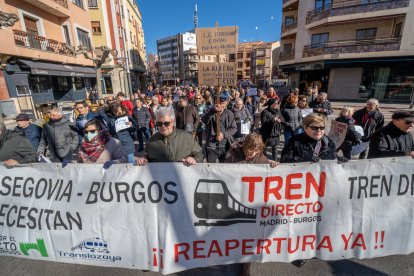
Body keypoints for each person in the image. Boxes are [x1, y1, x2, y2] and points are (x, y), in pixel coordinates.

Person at [136, 107, 203, 165]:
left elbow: (199, 155)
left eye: (166, 123)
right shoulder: (152, 140)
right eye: (159, 124)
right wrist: (144, 159)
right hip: (161, 178)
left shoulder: (187, 137)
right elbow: (148, 157)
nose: (163, 126)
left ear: (173, 122)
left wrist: (194, 159)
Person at [202, 95, 237, 163]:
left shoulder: (229, 114)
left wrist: (224, 135)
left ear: (226, 103)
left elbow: (234, 128)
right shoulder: (210, 111)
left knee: (224, 168)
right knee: (210, 166)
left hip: (225, 145)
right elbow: (204, 120)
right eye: (219, 103)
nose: (220, 105)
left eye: (222, 103)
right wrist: (212, 110)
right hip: (211, 145)